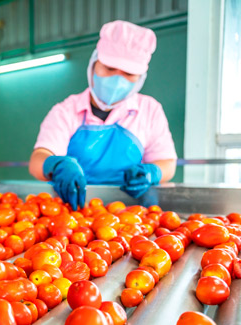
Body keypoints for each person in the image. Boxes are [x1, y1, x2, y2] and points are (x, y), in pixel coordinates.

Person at [29, 20, 177, 210]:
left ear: (140, 78)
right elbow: (37, 160)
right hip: (73, 211)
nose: (117, 79)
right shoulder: (65, 111)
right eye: (109, 68)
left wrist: (153, 172)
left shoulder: (150, 110)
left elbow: (167, 163)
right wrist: (56, 166)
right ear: (94, 64)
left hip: (130, 214)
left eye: (129, 73)